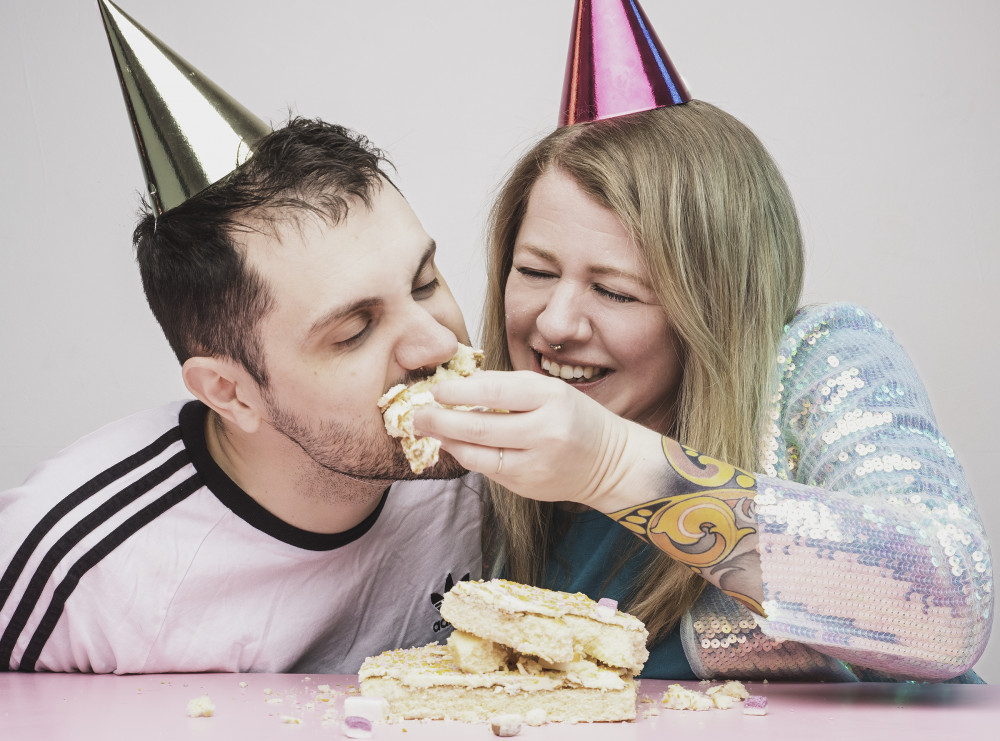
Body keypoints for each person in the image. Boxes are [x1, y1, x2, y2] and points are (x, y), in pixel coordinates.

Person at [414, 0, 992, 682]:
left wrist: (610, 465)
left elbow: (949, 607)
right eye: (536, 271)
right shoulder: (485, 463)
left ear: (713, 306)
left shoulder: (817, 360)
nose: (555, 323)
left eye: (615, 290)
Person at [0, 4, 480, 675]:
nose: (435, 343)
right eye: (353, 330)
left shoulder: (500, 463)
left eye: (425, 281)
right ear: (230, 391)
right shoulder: (75, 552)